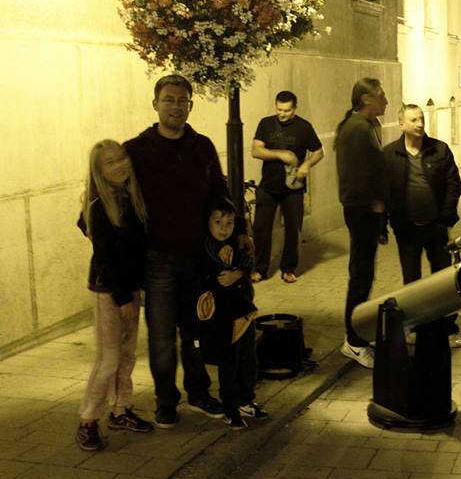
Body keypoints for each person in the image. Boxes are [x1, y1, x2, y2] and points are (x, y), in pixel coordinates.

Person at [125, 74, 247, 428]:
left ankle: (198, 392)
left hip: (198, 258)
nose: (176, 106)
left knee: (195, 330)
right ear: (155, 104)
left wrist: (238, 232)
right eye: (169, 99)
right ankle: (166, 400)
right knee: (162, 335)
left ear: (190, 105)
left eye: (183, 100)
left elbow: (220, 193)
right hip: (158, 260)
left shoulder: (202, 146)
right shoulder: (136, 149)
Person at [76, 140, 154, 451]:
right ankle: (87, 421)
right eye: (110, 163)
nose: (119, 165)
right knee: (108, 359)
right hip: (110, 290)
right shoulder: (99, 207)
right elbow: (106, 258)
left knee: (128, 354)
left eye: (121, 158)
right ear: (98, 172)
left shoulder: (131, 198)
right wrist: (122, 298)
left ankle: (120, 410)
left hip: (131, 288)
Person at [384, 103, 461, 345]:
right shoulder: (389, 154)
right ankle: (415, 327)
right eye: (413, 120)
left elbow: (453, 183)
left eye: (421, 119)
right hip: (406, 229)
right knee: (412, 282)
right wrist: (385, 224)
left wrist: (446, 216)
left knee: (443, 282)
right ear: (401, 124)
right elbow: (383, 191)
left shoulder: (439, 150)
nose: (419, 124)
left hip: (436, 227)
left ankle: (446, 329)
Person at [195, 199, 267, 430]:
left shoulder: (238, 244)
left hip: (242, 311)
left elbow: (247, 263)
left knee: (248, 359)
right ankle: (230, 407)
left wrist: (239, 273)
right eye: (217, 222)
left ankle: (246, 399)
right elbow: (206, 274)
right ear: (207, 222)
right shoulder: (204, 248)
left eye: (228, 222)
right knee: (228, 361)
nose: (223, 227)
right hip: (221, 316)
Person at [335, 78, 389, 368]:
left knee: (363, 273)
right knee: (360, 275)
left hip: (364, 209)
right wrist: (377, 207)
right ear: (366, 99)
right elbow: (361, 175)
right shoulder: (357, 129)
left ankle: (356, 337)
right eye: (381, 96)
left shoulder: (365, 126)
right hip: (361, 210)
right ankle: (353, 342)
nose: (386, 100)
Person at [251, 90, 323, 284]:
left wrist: (307, 165)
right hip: (268, 185)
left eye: (287, 110)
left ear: (294, 108)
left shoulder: (304, 127)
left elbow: (318, 152)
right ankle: (259, 269)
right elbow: (255, 151)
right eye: (279, 109)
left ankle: (289, 269)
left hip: (294, 187)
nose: (282, 114)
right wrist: (280, 154)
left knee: (293, 230)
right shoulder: (266, 123)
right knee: (261, 229)